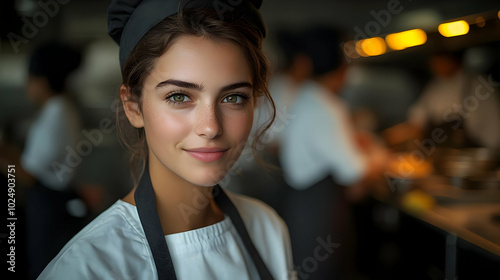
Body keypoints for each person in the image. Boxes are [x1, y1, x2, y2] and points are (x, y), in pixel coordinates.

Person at [38, 1, 296, 279]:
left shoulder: (267, 228)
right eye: (179, 97)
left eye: (233, 98)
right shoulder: (88, 267)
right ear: (133, 106)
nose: (210, 127)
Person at [279, 26, 388, 279]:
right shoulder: (326, 105)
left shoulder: (306, 96)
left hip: (303, 207)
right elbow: (355, 170)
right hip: (317, 216)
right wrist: (382, 158)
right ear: (343, 67)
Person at [0, 41, 84, 279]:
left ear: (42, 81)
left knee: (45, 269)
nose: (27, 85)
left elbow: (27, 174)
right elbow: (30, 162)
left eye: (29, 78)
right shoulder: (58, 108)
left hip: (50, 205)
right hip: (50, 201)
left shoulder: (56, 114)